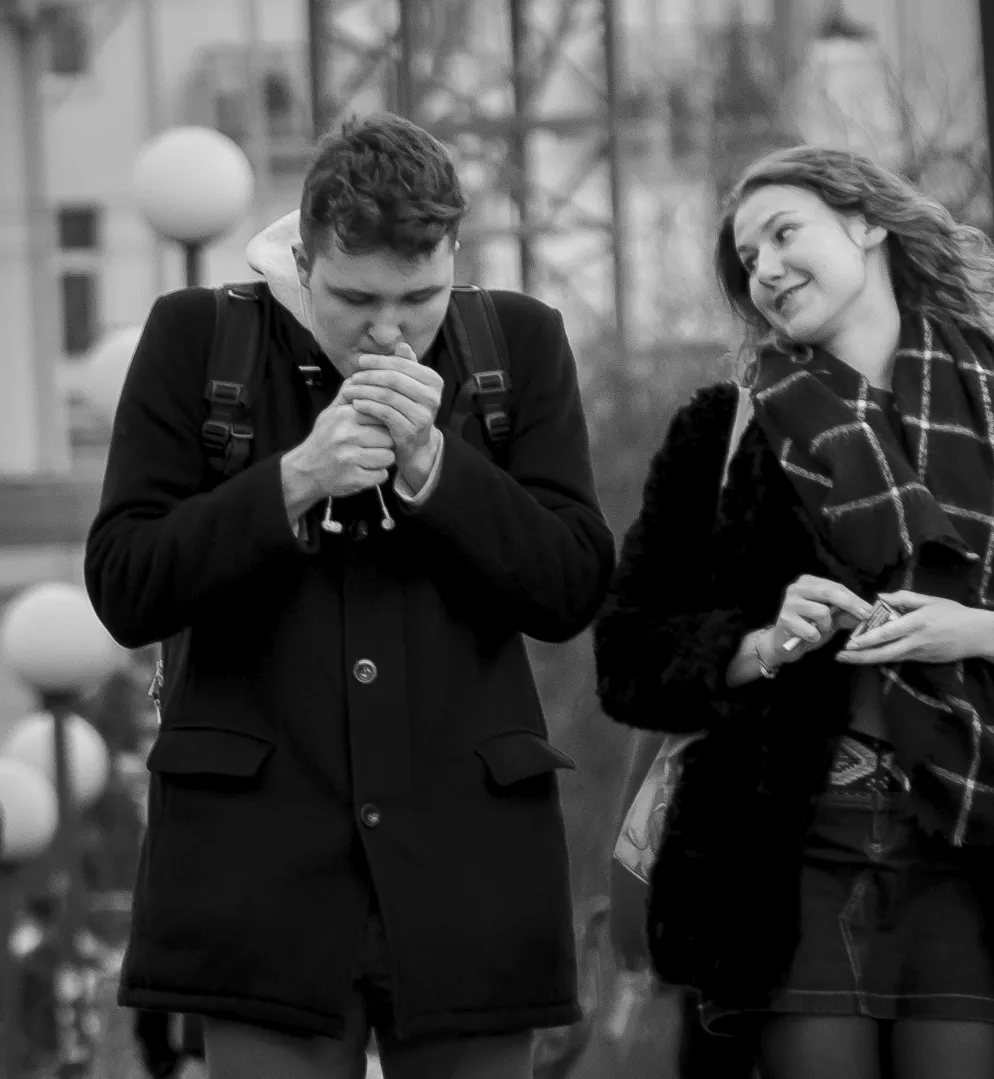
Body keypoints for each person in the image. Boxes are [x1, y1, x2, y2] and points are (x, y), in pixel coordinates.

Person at [593, 145, 994, 1079]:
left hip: (977, 844)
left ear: (867, 224)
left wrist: (986, 631)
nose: (767, 269)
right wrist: (759, 643)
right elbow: (627, 653)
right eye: (749, 260)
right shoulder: (726, 427)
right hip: (792, 850)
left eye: (786, 233)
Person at [85, 113, 614, 1079]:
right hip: (258, 868)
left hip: (471, 864)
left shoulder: (521, 343)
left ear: (456, 253)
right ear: (302, 255)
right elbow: (125, 582)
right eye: (355, 297)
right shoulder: (198, 337)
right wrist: (295, 478)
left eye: (420, 297)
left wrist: (436, 469)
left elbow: (571, 583)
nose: (389, 329)